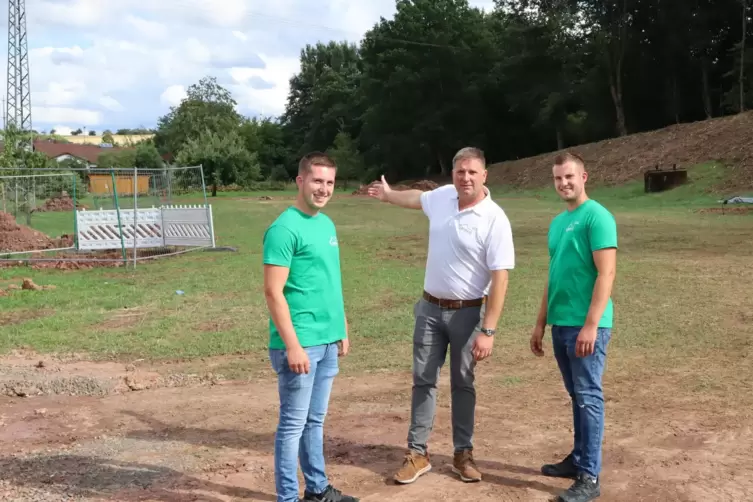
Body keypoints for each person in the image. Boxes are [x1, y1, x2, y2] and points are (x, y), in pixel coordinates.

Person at [367, 147, 515, 485]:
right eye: (460, 171)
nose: (465, 178)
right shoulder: (444, 197)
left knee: (463, 384)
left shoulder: (494, 219)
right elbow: (418, 199)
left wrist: (488, 331)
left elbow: (501, 279)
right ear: (453, 174)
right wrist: (389, 195)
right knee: (423, 380)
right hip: (430, 309)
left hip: (468, 313)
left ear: (484, 176)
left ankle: (463, 454)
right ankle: (417, 453)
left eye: (472, 172)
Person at [263, 152, 359, 502]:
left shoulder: (326, 224)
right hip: (300, 344)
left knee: (314, 422)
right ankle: (287, 497)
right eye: (317, 181)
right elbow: (273, 292)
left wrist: (342, 327)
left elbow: (329, 281)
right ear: (301, 181)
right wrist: (292, 345)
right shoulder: (284, 229)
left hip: (327, 339)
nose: (324, 188)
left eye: (330, 182)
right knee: (292, 426)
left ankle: (317, 490)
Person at [530, 152, 617, 502]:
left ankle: (590, 478)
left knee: (589, 397)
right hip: (560, 324)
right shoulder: (557, 223)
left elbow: (606, 273)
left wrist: (591, 325)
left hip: (586, 327)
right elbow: (554, 277)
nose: (563, 183)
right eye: (557, 178)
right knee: (577, 397)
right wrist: (539, 323)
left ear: (584, 176)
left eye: (569, 177)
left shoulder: (598, 217)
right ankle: (579, 460)